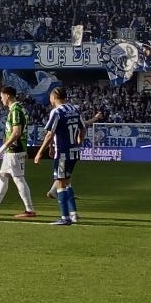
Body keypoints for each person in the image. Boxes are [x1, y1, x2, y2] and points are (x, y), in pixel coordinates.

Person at [0, 86, 38, 218]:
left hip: (14, 150)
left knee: (18, 179)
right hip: (14, 150)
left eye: (1, 97)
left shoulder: (16, 110)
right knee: (2, 176)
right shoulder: (18, 109)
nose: (1, 100)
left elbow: (16, 132)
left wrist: (2, 148)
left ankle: (30, 210)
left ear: (7, 96)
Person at [34, 87, 85, 226]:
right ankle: (74, 214)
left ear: (55, 96)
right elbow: (82, 128)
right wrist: (79, 141)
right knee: (67, 181)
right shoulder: (74, 109)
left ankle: (65, 217)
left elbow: (50, 133)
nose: (49, 99)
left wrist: (39, 152)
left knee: (61, 183)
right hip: (74, 152)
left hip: (63, 152)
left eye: (50, 96)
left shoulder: (56, 112)